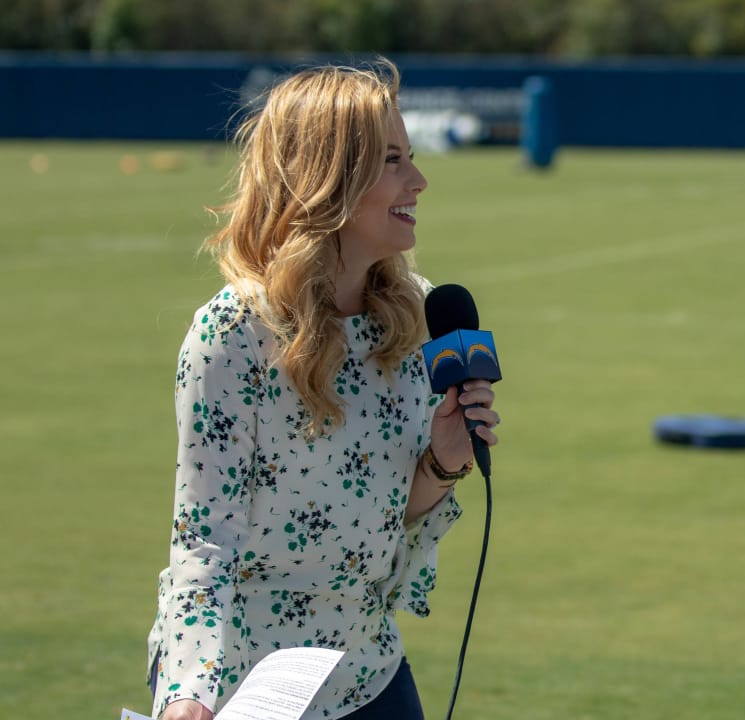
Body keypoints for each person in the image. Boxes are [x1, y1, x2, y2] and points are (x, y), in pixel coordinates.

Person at [145, 59, 500, 720]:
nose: (418, 181)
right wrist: (186, 697)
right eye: (393, 160)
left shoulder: (418, 315)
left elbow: (398, 520)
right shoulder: (230, 335)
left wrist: (445, 460)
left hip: (371, 675)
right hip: (245, 688)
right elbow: (203, 542)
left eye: (411, 157)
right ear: (329, 177)